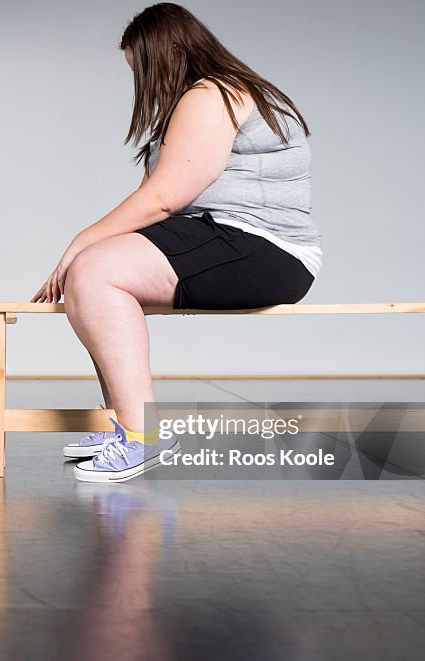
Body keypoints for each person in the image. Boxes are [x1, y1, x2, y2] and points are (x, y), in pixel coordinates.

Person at [31, 3, 321, 482]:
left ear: (175, 53)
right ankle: (128, 425)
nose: (142, 83)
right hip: (233, 238)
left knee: (95, 269)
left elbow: (165, 199)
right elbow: (167, 199)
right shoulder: (210, 95)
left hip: (266, 248)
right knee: (95, 275)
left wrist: (80, 243)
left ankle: (142, 436)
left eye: (143, 69)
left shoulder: (214, 95)